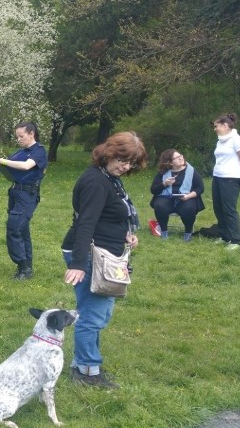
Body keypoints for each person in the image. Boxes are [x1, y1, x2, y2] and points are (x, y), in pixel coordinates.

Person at [62, 131, 147, 389]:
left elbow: (106, 215)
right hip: (90, 254)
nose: (125, 166)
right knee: (92, 314)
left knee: (101, 312)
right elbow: (86, 223)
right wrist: (78, 263)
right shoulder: (96, 182)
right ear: (109, 152)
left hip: (107, 253)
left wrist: (125, 234)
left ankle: (83, 364)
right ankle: (87, 372)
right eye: (122, 159)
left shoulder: (109, 178)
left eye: (130, 162)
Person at [0, 122, 48, 280]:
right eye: (17, 136)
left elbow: (26, 166)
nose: (18, 139)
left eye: (21, 136)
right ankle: (25, 268)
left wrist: (4, 161)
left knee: (14, 228)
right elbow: (12, 166)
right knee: (22, 230)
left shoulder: (39, 151)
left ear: (31, 134)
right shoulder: (21, 152)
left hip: (28, 195)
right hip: (16, 192)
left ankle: (23, 265)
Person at [211, 113, 240, 250]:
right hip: (217, 177)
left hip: (231, 179)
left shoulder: (237, 140)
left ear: (225, 125)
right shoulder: (220, 140)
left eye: (216, 126)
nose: (215, 128)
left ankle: (236, 241)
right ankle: (224, 236)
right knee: (218, 208)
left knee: (229, 209)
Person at [149, 149, 205, 242]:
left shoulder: (191, 171)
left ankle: (188, 232)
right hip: (167, 197)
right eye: (177, 157)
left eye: (181, 156)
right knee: (160, 205)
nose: (181, 158)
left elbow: (200, 188)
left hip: (186, 197)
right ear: (170, 162)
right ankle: (164, 231)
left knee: (189, 207)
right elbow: (153, 190)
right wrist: (165, 183)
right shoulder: (163, 172)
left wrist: (188, 196)